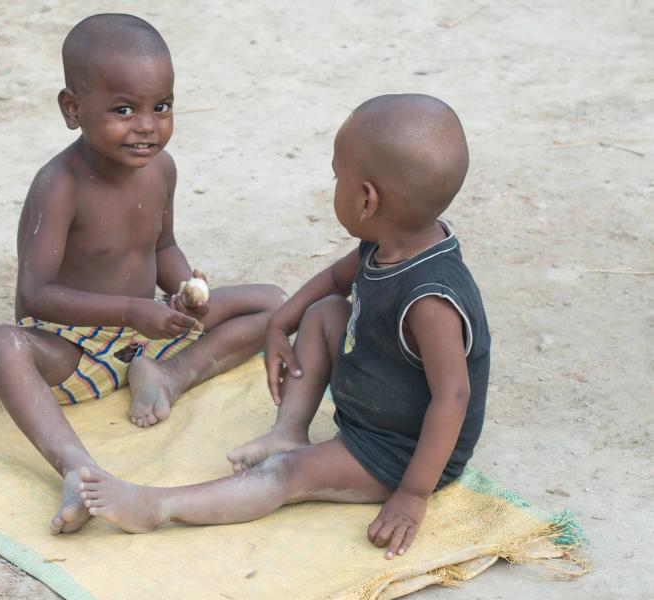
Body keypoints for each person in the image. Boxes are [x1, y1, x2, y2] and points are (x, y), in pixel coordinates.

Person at [76, 94, 491, 560]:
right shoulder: (393, 240)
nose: (332, 184)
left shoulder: (431, 298)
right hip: (381, 397)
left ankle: (156, 506)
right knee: (324, 312)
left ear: (367, 199)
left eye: (338, 177)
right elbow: (335, 280)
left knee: (285, 475)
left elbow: (454, 396)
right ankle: (288, 429)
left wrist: (413, 495)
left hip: (398, 452)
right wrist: (279, 324)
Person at [0, 13, 285, 535]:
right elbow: (34, 296)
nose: (147, 125)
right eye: (124, 109)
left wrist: (186, 292)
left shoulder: (161, 169)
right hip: (74, 349)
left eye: (161, 107)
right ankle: (79, 470)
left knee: (275, 301)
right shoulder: (60, 184)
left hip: (148, 340)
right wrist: (129, 311)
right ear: (73, 109)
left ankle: (171, 376)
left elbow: (162, 244)